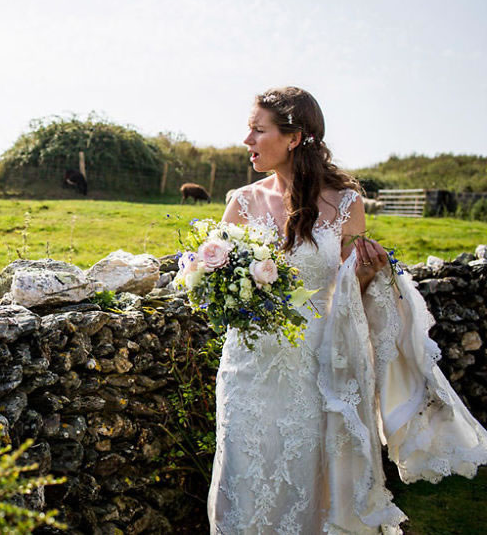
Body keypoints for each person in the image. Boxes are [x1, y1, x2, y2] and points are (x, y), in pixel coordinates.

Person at [208, 86, 487, 533]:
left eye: (258, 130)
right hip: (250, 364)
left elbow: (346, 292)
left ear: (294, 137)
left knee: (313, 476)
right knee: (245, 473)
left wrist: (365, 275)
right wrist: (217, 286)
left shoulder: (346, 203)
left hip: (316, 363)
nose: (247, 140)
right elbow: (215, 280)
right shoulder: (241, 201)